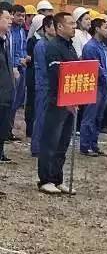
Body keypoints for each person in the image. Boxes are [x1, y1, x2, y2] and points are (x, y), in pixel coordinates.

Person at [37, 12, 79, 195]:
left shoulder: (70, 46)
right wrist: (65, 100)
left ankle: (57, 178)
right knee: (51, 141)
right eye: (71, 23)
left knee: (63, 142)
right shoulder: (53, 47)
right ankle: (45, 179)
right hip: (57, 101)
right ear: (60, 26)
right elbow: (57, 77)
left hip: (70, 101)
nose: (74, 26)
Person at [80, 18, 107, 157]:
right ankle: (85, 146)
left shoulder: (103, 46)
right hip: (95, 86)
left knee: (98, 117)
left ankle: (94, 144)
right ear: (97, 29)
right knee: (90, 116)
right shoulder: (90, 47)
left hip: (104, 86)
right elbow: (96, 68)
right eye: (105, 27)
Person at [31, 15, 56, 157]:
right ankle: (36, 147)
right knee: (41, 116)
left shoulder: (52, 44)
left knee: (48, 118)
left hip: (50, 85)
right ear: (46, 28)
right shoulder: (41, 45)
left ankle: (44, 145)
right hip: (43, 85)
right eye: (53, 26)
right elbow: (44, 69)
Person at [9, 4, 28, 141]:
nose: (21, 18)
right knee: (10, 101)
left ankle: (9, 130)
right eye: (18, 15)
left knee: (17, 102)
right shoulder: (9, 31)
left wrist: (25, 57)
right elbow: (10, 51)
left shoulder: (21, 31)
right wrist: (17, 61)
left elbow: (23, 48)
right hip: (13, 69)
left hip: (22, 68)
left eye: (23, 16)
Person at [25, 14, 45, 139]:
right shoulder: (32, 41)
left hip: (40, 76)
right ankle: (30, 128)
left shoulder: (44, 41)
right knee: (32, 102)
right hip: (32, 74)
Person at [0, 7, 15, 165]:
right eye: (6, 18)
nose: (10, 21)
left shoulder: (5, 40)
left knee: (3, 126)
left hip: (6, 93)